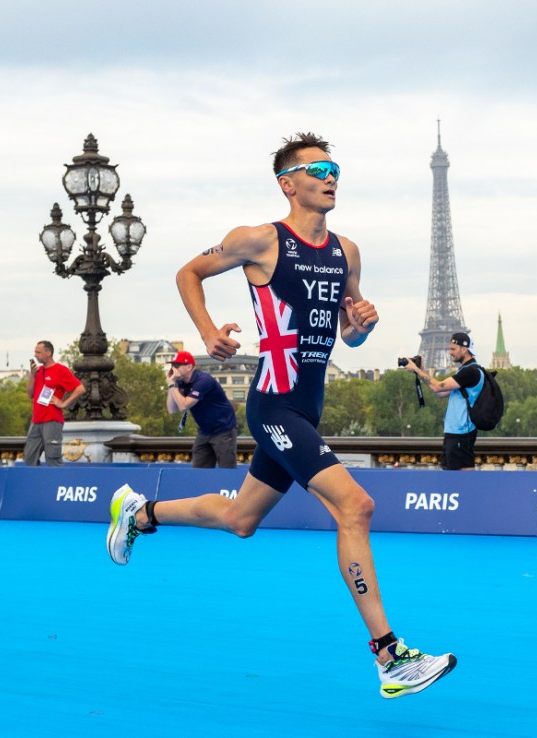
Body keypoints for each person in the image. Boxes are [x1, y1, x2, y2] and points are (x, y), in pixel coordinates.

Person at [105, 132, 455, 699]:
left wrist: (360, 326)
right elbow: (187, 273)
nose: (330, 175)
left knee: (241, 518)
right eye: (317, 168)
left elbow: (347, 334)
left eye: (335, 166)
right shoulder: (259, 241)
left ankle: (140, 512)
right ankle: (390, 656)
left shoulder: (348, 251)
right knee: (356, 505)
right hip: (272, 402)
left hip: (307, 408)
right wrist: (208, 332)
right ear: (287, 184)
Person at [405, 332, 484, 471]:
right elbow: (440, 392)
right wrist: (422, 371)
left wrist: (417, 370)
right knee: (462, 480)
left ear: (464, 349)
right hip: (460, 433)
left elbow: (438, 386)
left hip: (459, 434)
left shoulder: (470, 372)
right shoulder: (468, 371)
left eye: (453, 349)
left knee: (453, 482)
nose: (450, 352)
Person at [166, 350, 238, 468]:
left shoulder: (203, 380)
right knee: (199, 470)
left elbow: (184, 406)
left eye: (177, 365)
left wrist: (172, 384)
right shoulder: (179, 383)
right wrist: (172, 384)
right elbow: (171, 409)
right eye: (172, 365)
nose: (173, 369)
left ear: (189, 367)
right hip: (205, 431)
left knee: (227, 469)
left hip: (223, 429)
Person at [23, 340, 85, 466]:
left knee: (52, 458)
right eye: (35, 352)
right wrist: (32, 376)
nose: (35, 355)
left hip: (52, 420)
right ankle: (36, 484)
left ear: (48, 353)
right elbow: (30, 394)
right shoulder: (38, 371)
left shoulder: (60, 370)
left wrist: (64, 403)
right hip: (36, 421)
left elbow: (80, 389)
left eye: (38, 352)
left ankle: (56, 483)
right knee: (29, 458)